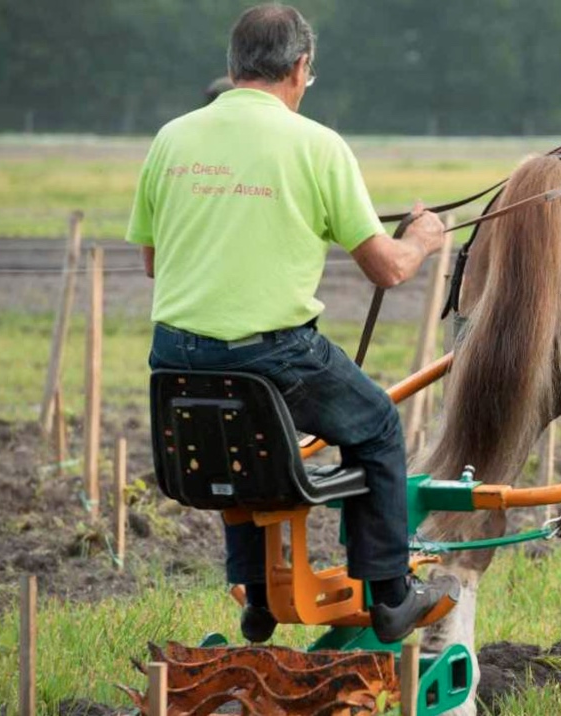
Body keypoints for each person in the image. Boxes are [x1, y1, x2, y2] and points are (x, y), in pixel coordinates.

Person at [126, 3, 459, 644]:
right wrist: (424, 236)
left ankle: (257, 597)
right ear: (301, 68)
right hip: (274, 358)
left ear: (232, 65)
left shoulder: (170, 138)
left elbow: (151, 261)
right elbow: (387, 270)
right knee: (378, 426)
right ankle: (391, 593)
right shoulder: (317, 145)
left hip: (174, 362)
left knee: (235, 449)